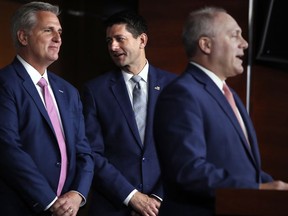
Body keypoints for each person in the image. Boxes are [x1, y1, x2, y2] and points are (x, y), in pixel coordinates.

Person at [154, 6, 288, 216]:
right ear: (206, 44)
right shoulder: (181, 94)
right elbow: (188, 171)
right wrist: (257, 189)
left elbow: (242, 168)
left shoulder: (230, 95)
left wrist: (275, 187)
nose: (244, 43)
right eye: (235, 35)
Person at [0, 2, 94, 216]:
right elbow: (7, 150)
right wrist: (50, 201)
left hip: (68, 210)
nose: (58, 38)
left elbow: (84, 152)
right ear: (23, 37)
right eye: (48, 30)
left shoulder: (68, 92)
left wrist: (77, 194)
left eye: (59, 32)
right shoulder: (5, 84)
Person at [81, 10, 176, 216]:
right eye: (109, 41)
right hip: (113, 206)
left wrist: (157, 198)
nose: (113, 47)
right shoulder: (95, 90)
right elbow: (92, 152)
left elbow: (182, 149)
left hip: (163, 206)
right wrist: (132, 196)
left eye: (119, 39)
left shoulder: (174, 86)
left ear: (142, 40)